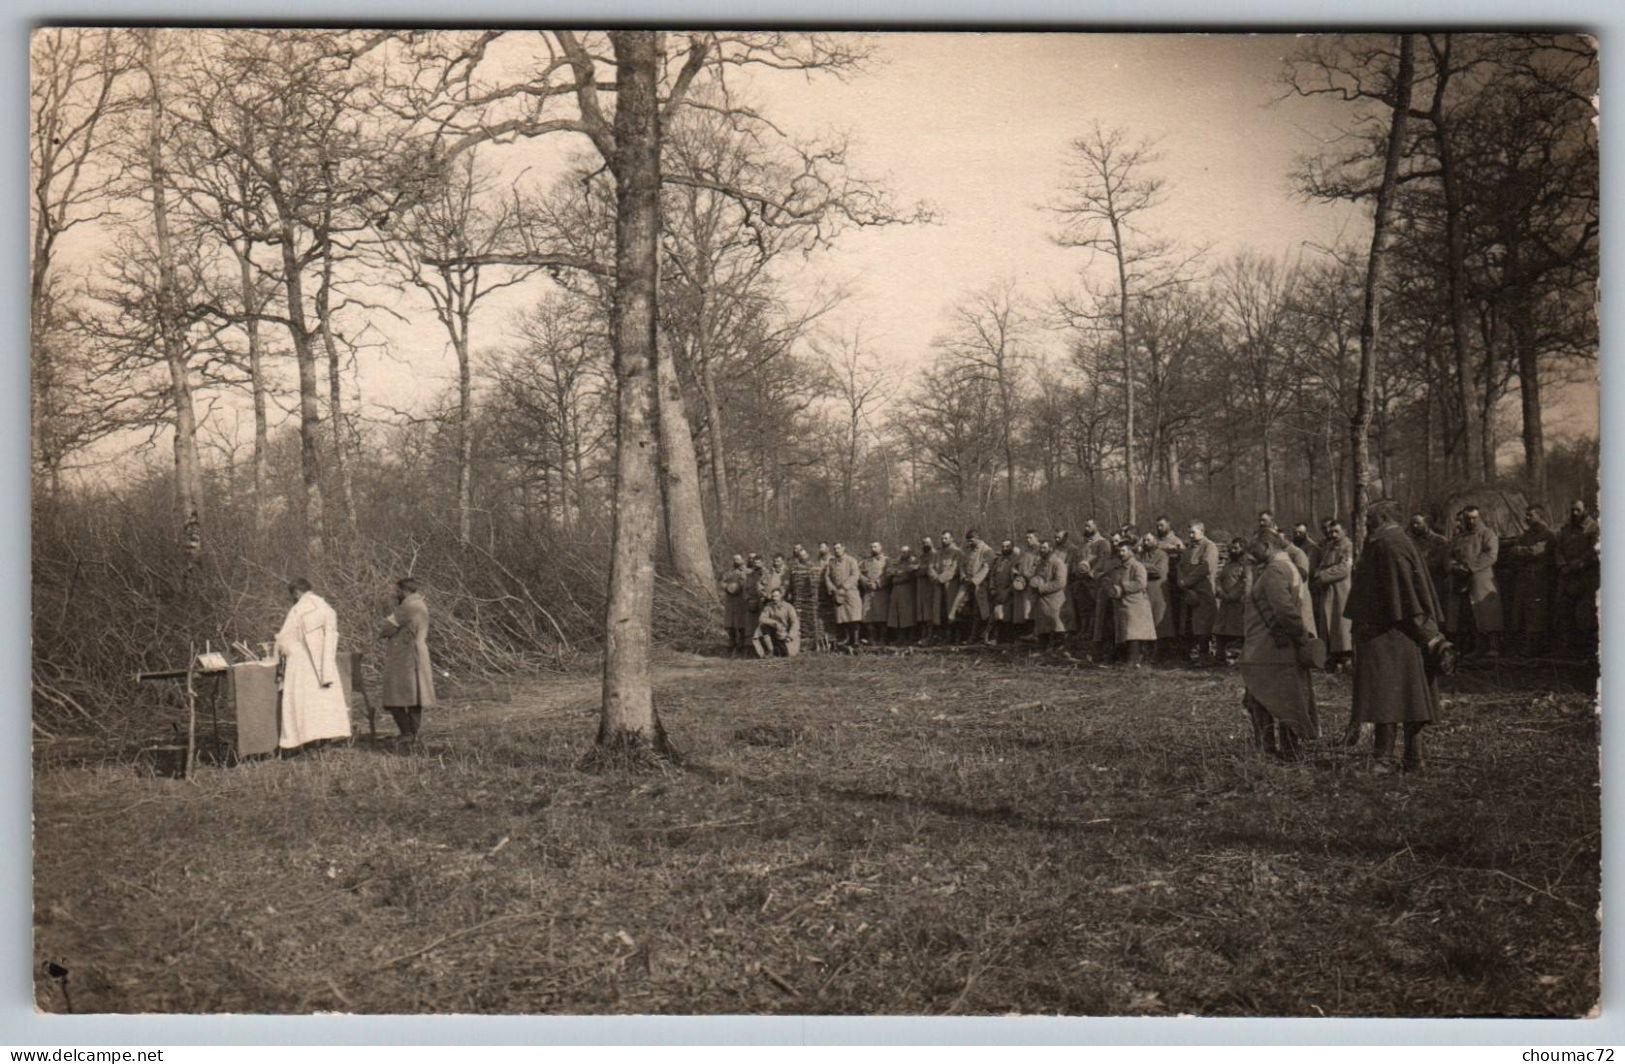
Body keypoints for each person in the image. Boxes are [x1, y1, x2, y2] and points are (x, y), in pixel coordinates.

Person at [1345, 499, 1448, 773]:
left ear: (1382, 517)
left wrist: (1428, 635)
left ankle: (1385, 759)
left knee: (1389, 697)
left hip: (1392, 633)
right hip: (1393, 631)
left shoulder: (1389, 545)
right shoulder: (1390, 542)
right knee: (1406, 695)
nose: (1365, 522)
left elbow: (1404, 594)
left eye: (1369, 518)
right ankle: (1412, 758)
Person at [1239, 530, 1320, 760]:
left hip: (1268, 645)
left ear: (1266, 546)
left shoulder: (1275, 570)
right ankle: (1287, 750)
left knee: (1263, 696)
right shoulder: (1284, 567)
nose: (1250, 553)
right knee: (1283, 696)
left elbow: (1285, 610)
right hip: (1273, 644)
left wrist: (1301, 637)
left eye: (1254, 548)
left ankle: (1270, 750)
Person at [275, 578, 351, 752]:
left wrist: (282, 651)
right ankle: (326, 740)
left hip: (302, 663)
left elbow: (285, 638)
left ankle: (308, 741)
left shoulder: (298, 609)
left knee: (305, 702)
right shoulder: (326, 607)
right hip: (325, 662)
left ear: (296, 593)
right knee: (324, 702)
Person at [377, 577, 435, 742]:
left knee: (395, 695)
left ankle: (406, 733)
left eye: (397, 591)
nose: (395, 594)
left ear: (405, 591)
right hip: (416, 653)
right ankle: (412, 733)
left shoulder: (408, 607)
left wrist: (384, 628)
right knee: (415, 695)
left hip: (405, 656)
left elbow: (386, 628)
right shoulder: (420, 605)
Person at [1450, 505, 1503, 656]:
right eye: (1468, 518)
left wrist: (1470, 567)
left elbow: (1491, 555)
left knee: (1488, 614)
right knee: (1470, 615)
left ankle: (1493, 647)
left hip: (1481, 579)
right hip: (1462, 581)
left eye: (1474, 518)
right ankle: (1477, 647)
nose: (1471, 521)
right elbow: (1449, 556)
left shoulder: (1487, 534)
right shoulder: (1458, 538)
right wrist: (1454, 567)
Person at [1507, 505, 1558, 658]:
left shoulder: (1547, 534)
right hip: (1525, 578)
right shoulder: (1526, 534)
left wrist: (1520, 550)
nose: (1526, 518)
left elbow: (1535, 551)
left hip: (1539, 580)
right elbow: (1513, 552)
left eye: (1530, 515)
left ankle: (1537, 648)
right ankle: (1526, 647)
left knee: (1536, 613)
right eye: (1526, 515)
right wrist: (1521, 551)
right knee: (1522, 612)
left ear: (1539, 516)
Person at [1554, 500, 1600, 659]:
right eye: (1572, 510)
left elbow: (1595, 551)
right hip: (1567, 577)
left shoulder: (1594, 528)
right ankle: (1568, 650)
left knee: (1585, 615)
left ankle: (1587, 652)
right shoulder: (1566, 529)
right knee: (1565, 612)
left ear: (1585, 510)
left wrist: (1578, 564)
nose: (1574, 513)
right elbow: (1558, 549)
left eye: (1578, 510)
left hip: (1586, 577)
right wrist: (1562, 566)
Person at [1312, 520, 1355, 672]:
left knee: (1341, 624)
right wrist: (1319, 574)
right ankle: (1333, 655)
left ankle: (1345, 656)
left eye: (1336, 531)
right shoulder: (1329, 547)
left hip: (1341, 590)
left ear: (1344, 531)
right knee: (1329, 623)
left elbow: (1344, 568)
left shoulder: (1348, 546)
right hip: (1328, 591)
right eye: (1331, 532)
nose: (1333, 535)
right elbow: (1320, 566)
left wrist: (1323, 575)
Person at [1106, 538, 1156, 667]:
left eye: (1123, 551)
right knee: (1125, 633)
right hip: (1121, 604)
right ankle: (1126, 659)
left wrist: (1123, 587)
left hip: (1135, 604)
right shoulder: (1117, 568)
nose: (1121, 553)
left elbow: (1141, 583)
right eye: (1119, 551)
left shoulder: (1137, 566)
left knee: (1134, 633)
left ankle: (1134, 660)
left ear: (1130, 552)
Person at [1177, 521, 1221, 665]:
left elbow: (1204, 569)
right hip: (1189, 593)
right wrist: (1181, 582)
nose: (1190, 535)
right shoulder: (1189, 549)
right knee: (1189, 625)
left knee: (1204, 626)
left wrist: (1187, 581)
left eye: (1193, 532)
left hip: (1204, 593)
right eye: (1189, 532)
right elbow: (1181, 567)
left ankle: (1205, 656)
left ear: (1202, 531)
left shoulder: (1210, 547)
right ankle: (1190, 655)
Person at [1214, 537, 1251, 665]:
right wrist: (1220, 591)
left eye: (1236, 548)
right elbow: (1219, 578)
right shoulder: (1228, 564)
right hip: (1225, 603)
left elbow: (1245, 581)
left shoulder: (1246, 565)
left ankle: (1241, 658)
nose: (1233, 550)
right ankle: (1220, 657)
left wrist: (1233, 595)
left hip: (1238, 603)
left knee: (1239, 631)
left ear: (1243, 549)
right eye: (1232, 548)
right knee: (1220, 630)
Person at [1030, 538, 1071, 649]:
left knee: (1056, 625)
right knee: (1042, 626)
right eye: (1040, 548)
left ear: (1051, 549)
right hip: (1041, 601)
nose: (1042, 550)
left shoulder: (1058, 563)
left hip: (1055, 601)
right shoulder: (1040, 563)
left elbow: (1060, 582)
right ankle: (1043, 648)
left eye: (1044, 548)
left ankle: (1059, 650)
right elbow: (1036, 577)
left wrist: (1042, 588)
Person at [1090, 535, 1125, 662]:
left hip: (1118, 594)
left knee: (1117, 623)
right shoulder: (1105, 558)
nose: (1115, 544)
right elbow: (1094, 572)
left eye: (1117, 541)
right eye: (1113, 541)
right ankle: (1100, 653)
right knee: (1102, 624)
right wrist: (1102, 577)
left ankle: (1117, 653)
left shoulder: (1124, 558)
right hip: (1104, 593)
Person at [1137, 532, 1171, 662]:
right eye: (1144, 540)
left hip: (1158, 593)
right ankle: (1146, 653)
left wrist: (1142, 566)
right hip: (1145, 594)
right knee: (1145, 624)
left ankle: (1159, 654)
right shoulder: (1141, 555)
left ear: (1155, 541)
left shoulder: (1162, 555)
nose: (1146, 543)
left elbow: (1158, 571)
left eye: (1149, 540)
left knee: (1159, 624)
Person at [788, 546, 827, 653]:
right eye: (801, 556)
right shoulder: (794, 568)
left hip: (811, 600)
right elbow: (791, 583)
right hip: (798, 600)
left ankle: (814, 645)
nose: (803, 557)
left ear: (808, 556)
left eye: (804, 555)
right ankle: (801, 645)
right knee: (799, 622)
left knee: (812, 622)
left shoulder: (813, 567)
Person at [825, 542, 863, 650]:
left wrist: (845, 587)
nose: (836, 550)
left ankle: (855, 639)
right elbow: (827, 577)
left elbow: (855, 575)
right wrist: (833, 589)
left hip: (850, 591)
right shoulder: (831, 562)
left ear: (843, 548)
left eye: (838, 548)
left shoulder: (851, 560)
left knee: (854, 615)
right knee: (841, 616)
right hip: (837, 593)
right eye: (835, 548)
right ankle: (847, 638)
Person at [1153, 517, 1186, 639]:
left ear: (1168, 525)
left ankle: (1174, 640)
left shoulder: (1175, 540)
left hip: (1172, 579)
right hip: (1159, 581)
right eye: (1157, 525)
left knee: (1173, 610)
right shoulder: (1155, 540)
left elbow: (1182, 553)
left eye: (1161, 525)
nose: (1159, 528)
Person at [929, 531, 964, 645]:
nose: (943, 541)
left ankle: (956, 637)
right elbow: (931, 567)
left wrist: (941, 578)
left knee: (952, 610)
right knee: (940, 612)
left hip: (951, 585)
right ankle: (943, 636)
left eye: (946, 538)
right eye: (942, 538)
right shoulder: (937, 553)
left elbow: (954, 569)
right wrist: (935, 578)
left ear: (952, 539)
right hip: (938, 586)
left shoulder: (957, 553)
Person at [962, 530, 995, 644]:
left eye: (971, 541)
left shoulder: (987, 551)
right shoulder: (969, 551)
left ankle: (982, 637)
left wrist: (975, 581)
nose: (969, 543)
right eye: (968, 541)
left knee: (982, 612)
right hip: (969, 585)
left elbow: (986, 568)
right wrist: (964, 577)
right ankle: (973, 636)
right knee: (971, 612)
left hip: (982, 586)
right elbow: (963, 565)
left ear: (977, 538)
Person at [752, 586, 801, 658]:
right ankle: (771, 651)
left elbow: (795, 623)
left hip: (786, 634)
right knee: (763, 627)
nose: (774, 598)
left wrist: (790, 636)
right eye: (773, 596)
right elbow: (762, 619)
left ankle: (781, 650)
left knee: (788, 654)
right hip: (774, 632)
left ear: (781, 596)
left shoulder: (788, 607)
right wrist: (775, 623)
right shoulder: (768, 606)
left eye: (776, 596)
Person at [987, 539, 1020, 644]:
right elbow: (992, 574)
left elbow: (1016, 578)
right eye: (1003, 546)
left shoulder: (1015, 560)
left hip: (1008, 592)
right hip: (997, 592)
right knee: (996, 616)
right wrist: (992, 588)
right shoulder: (998, 560)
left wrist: (1008, 591)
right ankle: (996, 638)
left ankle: (1007, 640)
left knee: (1007, 616)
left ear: (1012, 547)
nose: (1005, 549)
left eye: (1007, 546)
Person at [859, 542, 891, 646]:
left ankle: (882, 639)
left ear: (881, 548)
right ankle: (872, 638)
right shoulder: (865, 562)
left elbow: (889, 574)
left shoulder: (887, 560)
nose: (873, 549)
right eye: (871, 547)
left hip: (881, 592)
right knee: (867, 616)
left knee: (881, 616)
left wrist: (877, 584)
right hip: (868, 592)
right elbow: (859, 574)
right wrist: (866, 583)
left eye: (875, 547)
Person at [887, 544, 920, 642]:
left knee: (908, 614)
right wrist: (898, 572)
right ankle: (900, 637)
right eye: (902, 552)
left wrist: (897, 574)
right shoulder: (897, 561)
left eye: (905, 552)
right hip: (896, 591)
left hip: (908, 591)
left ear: (910, 552)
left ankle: (910, 637)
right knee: (897, 614)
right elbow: (889, 572)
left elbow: (909, 574)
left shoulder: (913, 561)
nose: (903, 554)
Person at [720, 554, 751, 655]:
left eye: (738, 559)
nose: (736, 561)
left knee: (742, 624)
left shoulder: (747, 572)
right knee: (730, 624)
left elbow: (750, 584)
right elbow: (722, 582)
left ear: (742, 560)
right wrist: (727, 587)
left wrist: (740, 585)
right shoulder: (729, 573)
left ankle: (742, 645)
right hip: (731, 602)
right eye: (734, 559)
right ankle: (731, 644)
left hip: (742, 601)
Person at [1015, 530, 1043, 636]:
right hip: (1023, 584)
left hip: (1034, 583)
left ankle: (1036, 633)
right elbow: (1020, 565)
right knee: (1025, 609)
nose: (1028, 540)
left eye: (1030, 537)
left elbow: (1037, 567)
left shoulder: (1040, 551)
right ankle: (1029, 633)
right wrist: (1017, 572)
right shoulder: (1025, 551)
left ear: (1037, 538)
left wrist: (1027, 576)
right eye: (1026, 538)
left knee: (1034, 608)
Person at [915, 537, 938, 645]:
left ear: (932, 543)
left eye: (927, 542)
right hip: (920, 588)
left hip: (930, 587)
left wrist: (919, 570)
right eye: (923, 543)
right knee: (922, 613)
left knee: (929, 613)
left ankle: (930, 636)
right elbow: (915, 570)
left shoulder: (935, 555)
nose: (925, 545)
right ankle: (923, 636)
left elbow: (928, 570)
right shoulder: (921, 556)